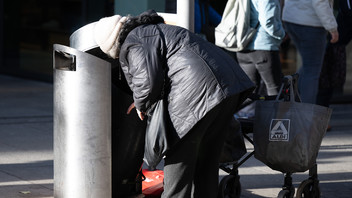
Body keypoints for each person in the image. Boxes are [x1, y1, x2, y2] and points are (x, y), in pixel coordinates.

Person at [93, 10, 254, 198]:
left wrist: (140, 103)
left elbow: (148, 80)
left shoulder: (133, 41)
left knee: (179, 160)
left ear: (113, 44)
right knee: (206, 161)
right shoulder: (156, 30)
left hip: (197, 93)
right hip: (228, 87)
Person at [228, 0, 286, 118]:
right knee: (274, 89)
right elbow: (268, 21)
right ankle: (276, 126)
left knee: (249, 90)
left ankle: (237, 120)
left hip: (244, 45)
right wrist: (282, 34)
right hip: (264, 46)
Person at [282, 0, 339, 104]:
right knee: (312, 70)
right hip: (310, 24)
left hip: (291, 19)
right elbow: (320, 2)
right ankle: (306, 114)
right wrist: (332, 28)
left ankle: (288, 91)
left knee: (309, 66)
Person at [317, 0, 352, 107]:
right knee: (325, 80)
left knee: (329, 80)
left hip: (336, 40)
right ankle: (319, 115)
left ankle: (321, 115)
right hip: (330, 39)